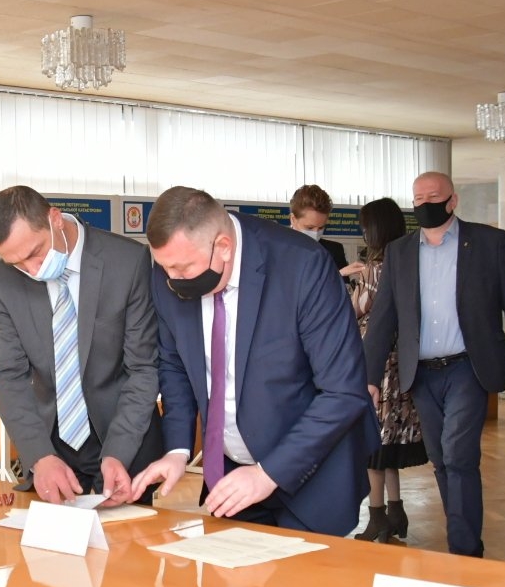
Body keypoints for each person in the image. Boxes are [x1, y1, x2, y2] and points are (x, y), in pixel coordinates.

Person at [0, 185, 167, 587]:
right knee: (42, 584)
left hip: (123, 441)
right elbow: (10, 376)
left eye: (35, 253)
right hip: (54, 443)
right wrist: (37, 456)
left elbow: (142, 370)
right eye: (15, 262)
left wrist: (119, 453)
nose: (29, 269)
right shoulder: (4, 278)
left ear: (56, 221)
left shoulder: (127, 262)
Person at [132, 186, 376, 536]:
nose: (172, 280)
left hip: (312, 478)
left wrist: (268, 473)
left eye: (182, 269)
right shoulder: (171, 271)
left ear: (224, 247)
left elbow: (343, 391)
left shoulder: (302, 265)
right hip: (232, 482)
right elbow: (175, 365)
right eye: (165, 268)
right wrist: (178, 449)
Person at [362, 171, 505, 557]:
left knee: (458, 455)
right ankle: (464, 537)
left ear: (453, 200)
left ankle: (464, 550)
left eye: (433, 196)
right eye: (418, 198)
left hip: (468, 367)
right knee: (442, 459)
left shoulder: (490, 242)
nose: (425, 203)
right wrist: (370, 376)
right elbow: (383, 318)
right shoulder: (400, 252)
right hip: (421, 372)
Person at [342, 198, 428, 542]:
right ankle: (395, 510)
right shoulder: (409, 261)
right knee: (389, 443)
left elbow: (356, 310)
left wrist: (345, 282)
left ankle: (376, 516)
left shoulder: (375, 269)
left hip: (376, 367)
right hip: (400, 362)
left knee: (373, 445)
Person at [289, 183, 348, 271]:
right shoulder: (276, 249)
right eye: (309, 228)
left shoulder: (334, 251)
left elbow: (343, 279)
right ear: (293, 219)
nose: (316, 233)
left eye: (321, 228)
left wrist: (338, 275)